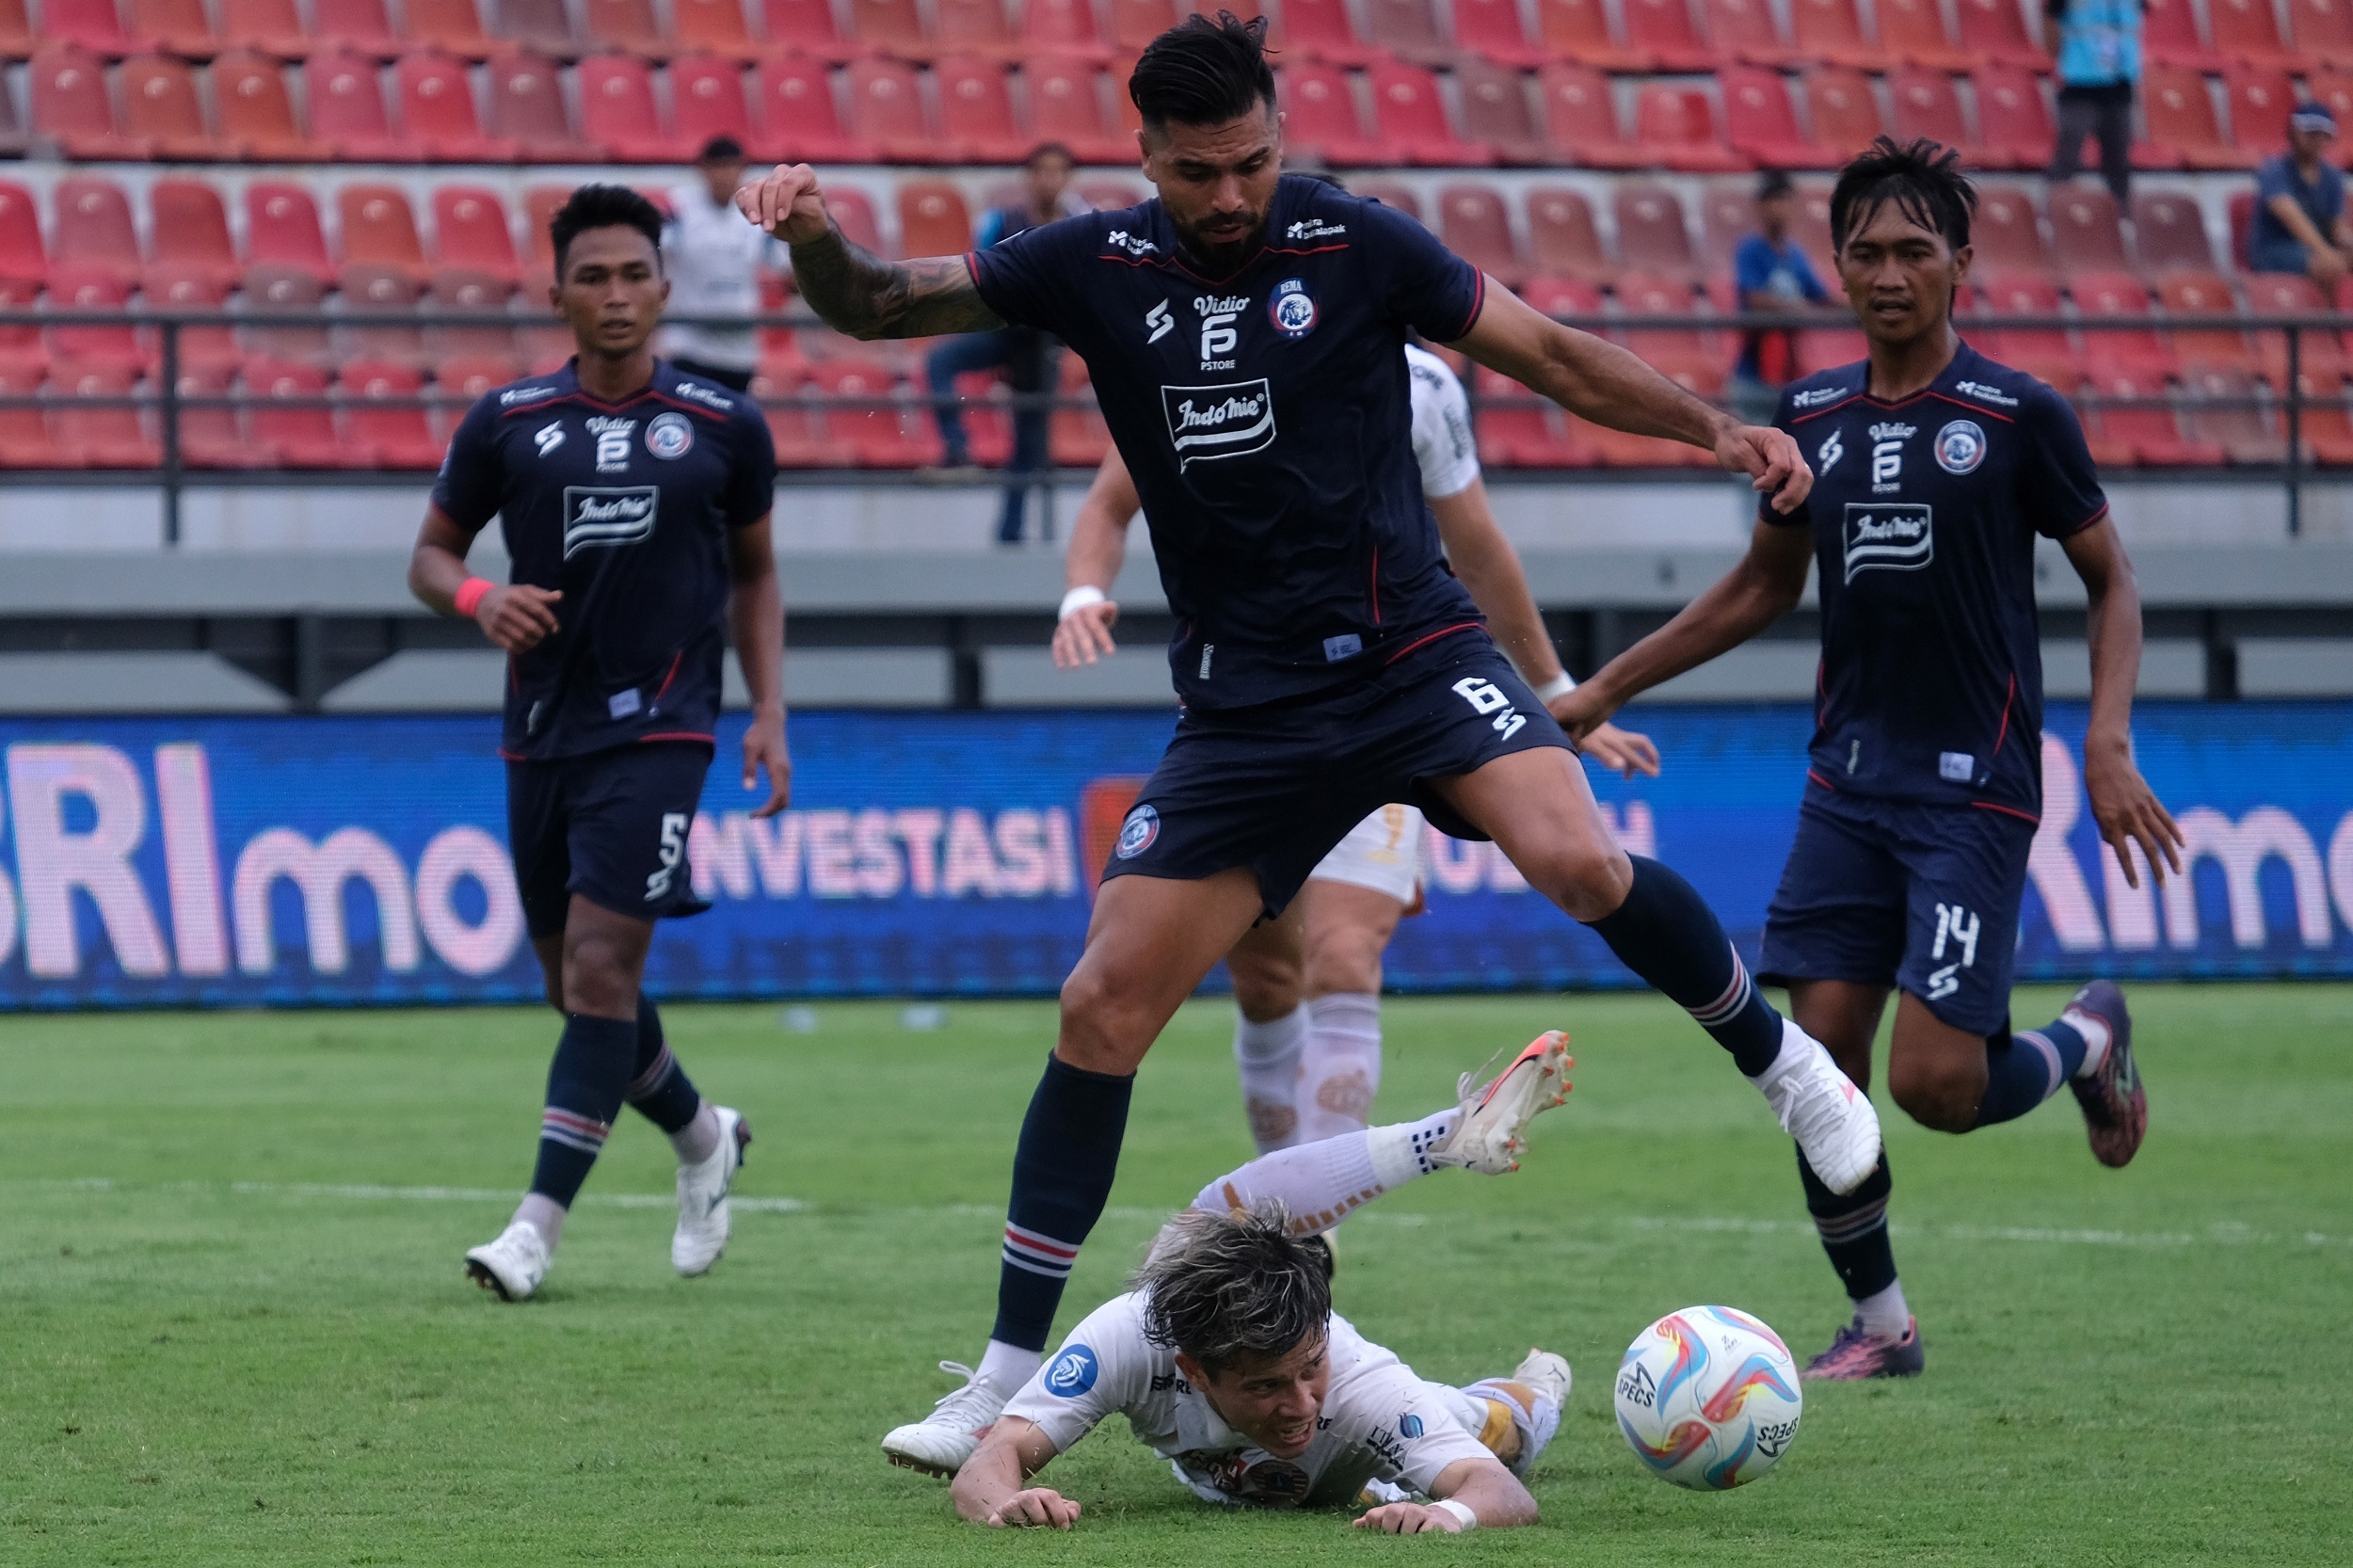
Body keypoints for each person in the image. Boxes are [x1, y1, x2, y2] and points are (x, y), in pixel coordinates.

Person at [738, 12, 1881, 1475]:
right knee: (1100, 1008)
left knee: (1578, 855)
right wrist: (814, 237)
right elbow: (880, 306)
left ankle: (1787, 1069)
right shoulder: (1087, 264)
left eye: (1255, 162)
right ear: (1144, 155)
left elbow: (1547, 352)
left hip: (1412, 649)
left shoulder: (1357, 244)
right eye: (1202, 170)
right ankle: (1003, 1379)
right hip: (1248, 708)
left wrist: (1717, 432)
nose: (1233, 194)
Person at [1556, 139, 2187, 1381]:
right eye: (1866, 251)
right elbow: (1758, 589)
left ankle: (2089, 1040)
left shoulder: (2018, 416)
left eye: (1914, 250)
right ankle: (1882, 1322)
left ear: (1961, 262)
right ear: (1834, 265)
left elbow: (2113, 581)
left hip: (1974, 791)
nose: (1889, 272)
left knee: (1940, 1086)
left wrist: (2105, 741)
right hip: (1846, 784)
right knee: (1819, 1064)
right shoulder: (1807, 419)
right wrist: (1598, 690)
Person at [1052, 340, 1660, 1159]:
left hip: (1392, 705)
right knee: (1267, 982)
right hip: (1258, 721)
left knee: (1342, 957)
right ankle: (1283, 1195)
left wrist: (1555, 692)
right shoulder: (1201, 369)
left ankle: (1311, 1236)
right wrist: (1086, 592)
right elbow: (1107, 504)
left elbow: (1475, 545)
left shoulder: (1419, 382)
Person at [407, 184, 789, 1301]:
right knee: (575, 990)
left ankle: (534, 1228)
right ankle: (702, 1134)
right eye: (593, 276)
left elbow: (758, 575)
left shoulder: (724, 424)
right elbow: (429, 557)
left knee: (601, 966)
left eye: (634, 274)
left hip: (668, 726)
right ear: (557, 290)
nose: (615, 295)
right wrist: (480, 595)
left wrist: (767, 712)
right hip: (540, 731)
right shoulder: (507, 421)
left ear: (666, 287)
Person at [951, 1042, 1574, 1532]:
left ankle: (1532, 1388)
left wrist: (1447, 1514)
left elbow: (1500, 1492)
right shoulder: (1127, 1337)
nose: (1302, 1402)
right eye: (1266, 1385)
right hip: (1254, 1471)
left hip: (1382, 1440)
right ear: (1193, 1371)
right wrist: (1007, 1505)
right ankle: (1442, 1135)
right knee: (1198, 1229)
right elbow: (991, 1461)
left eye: (1309, 1371)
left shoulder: (1360, 1384)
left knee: (1494, 1431)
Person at [923, 143, 1082, 544]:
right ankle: (958, 449)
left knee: (1029, 444)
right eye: (1041, 170)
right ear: (1029, 176)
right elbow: (982, 271)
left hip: (1043, 342)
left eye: (1057, 171)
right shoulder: (1001, 221)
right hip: (1003, 329)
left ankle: (1010, 533)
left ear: (1067, 178)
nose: (1049, 179)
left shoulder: (1079, 224)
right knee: (940, 361)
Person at [660, 136, 776, 392]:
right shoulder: (680, 207)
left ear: (742, 169)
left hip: (739, 350)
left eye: (731, 167)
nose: (724, 175)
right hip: (689, 347)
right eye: (718, 167)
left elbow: (784, 267)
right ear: (703, 169)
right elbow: (653, 252)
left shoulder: (756, 210)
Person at [1730, 170, 1835, 425]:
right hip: (1755, 375)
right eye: (1773, 201)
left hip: (1788, 372)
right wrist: (1797, 307)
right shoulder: (1750, 250)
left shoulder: (1795, 254)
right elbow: (1755, 299)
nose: (1779, 209)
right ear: (1761, 206)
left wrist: (1858, 304)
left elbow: (1821, 296)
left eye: (1785, 201)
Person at [2044, 0, 2139, 206]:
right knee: (2069, 151)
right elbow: (2051, 20)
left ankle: (2123, 215)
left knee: (2118, 158)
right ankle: (2053, 209)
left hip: (2119, 84)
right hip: (2080, 83)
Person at [2251, 102, 2353, 289]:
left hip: (2318, 248)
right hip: (2275, 250)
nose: (2317, 138)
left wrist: (2348, 244)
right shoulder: (2274, 170)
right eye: (2310, 131)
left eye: (2323, 133)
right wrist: (2326, 253)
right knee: (2327, 266)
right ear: (2294, 131)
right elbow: (2290, 215)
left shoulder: (2332, 176)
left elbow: (2338, 227)